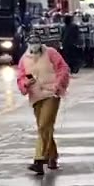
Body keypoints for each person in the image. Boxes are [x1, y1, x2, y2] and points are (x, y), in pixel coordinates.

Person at [16, 28, 70, 174]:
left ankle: (39, 160)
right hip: (35, 97)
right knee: (44, 127)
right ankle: (52, 156)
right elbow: (20, 78)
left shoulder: (51, 53)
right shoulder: (24, 59)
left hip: (51, 94)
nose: (34, 45)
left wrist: (58, 84)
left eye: (36, 42)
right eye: (31, 42)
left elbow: (63, 68)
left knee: (44, 125)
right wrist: (26, 84)